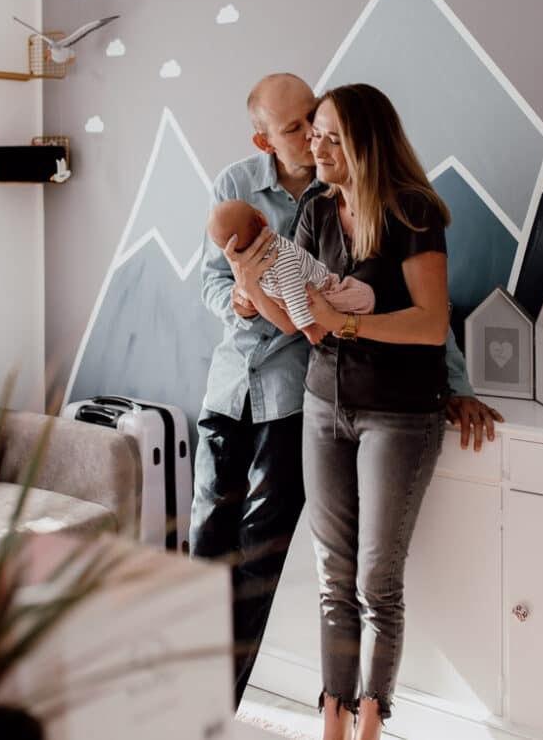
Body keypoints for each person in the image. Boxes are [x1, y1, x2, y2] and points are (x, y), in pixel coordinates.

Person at [190, 73, 502, 712]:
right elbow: (251, 300)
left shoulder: (388, 204)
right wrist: (248, 291)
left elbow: (424, 314)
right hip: (260, 392)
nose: (311, 138)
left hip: (324, 403)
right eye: (299, 129)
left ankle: (253, 707)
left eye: (320, 125)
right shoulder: (259, 194)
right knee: (214, 555)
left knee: (315, 572)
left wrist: (456, 382)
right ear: (265, 139)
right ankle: (195, 700)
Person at [206, 198, 375, 341]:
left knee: (359, 298)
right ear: (262, 218)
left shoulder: (270, 261)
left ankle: (341, 322)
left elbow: (291, 299)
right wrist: (308, 327)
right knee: (364, 298)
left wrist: (307, 326)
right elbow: (291, 303)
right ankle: (341, 323)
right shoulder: (267, 263)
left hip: (312, 294)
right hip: (312, 297)